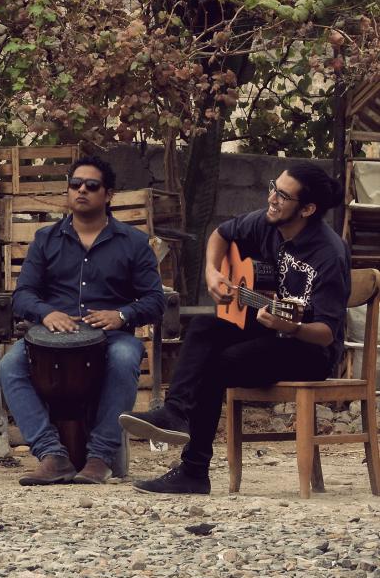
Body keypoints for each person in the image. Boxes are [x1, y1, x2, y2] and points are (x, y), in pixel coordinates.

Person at [121, 162, 350, 495]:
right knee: (203, 327)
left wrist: (293, 326)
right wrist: (212, 273)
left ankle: (194, 471)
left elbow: (327, 333)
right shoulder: (268, 223)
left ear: (308, 209)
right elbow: (221, 234)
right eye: (274, 187)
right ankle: (174, 412)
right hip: (271, 328)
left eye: (282, 195)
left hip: (311, 350)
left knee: (218, 363)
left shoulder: (328, 253)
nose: (271, 197)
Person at [0, 156, 166, 485]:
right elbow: (23, 295)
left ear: (108, 194)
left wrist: (121, 315)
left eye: (91, 185)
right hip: (50, 338)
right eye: (75, 185)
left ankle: (100, 458)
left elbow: (154, 301)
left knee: (125, 356)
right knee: (9, 365)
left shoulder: (133, 243)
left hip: (110, 337)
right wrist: (47, 313)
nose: (82, 191)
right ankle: (52, 455)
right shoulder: (46, 239)